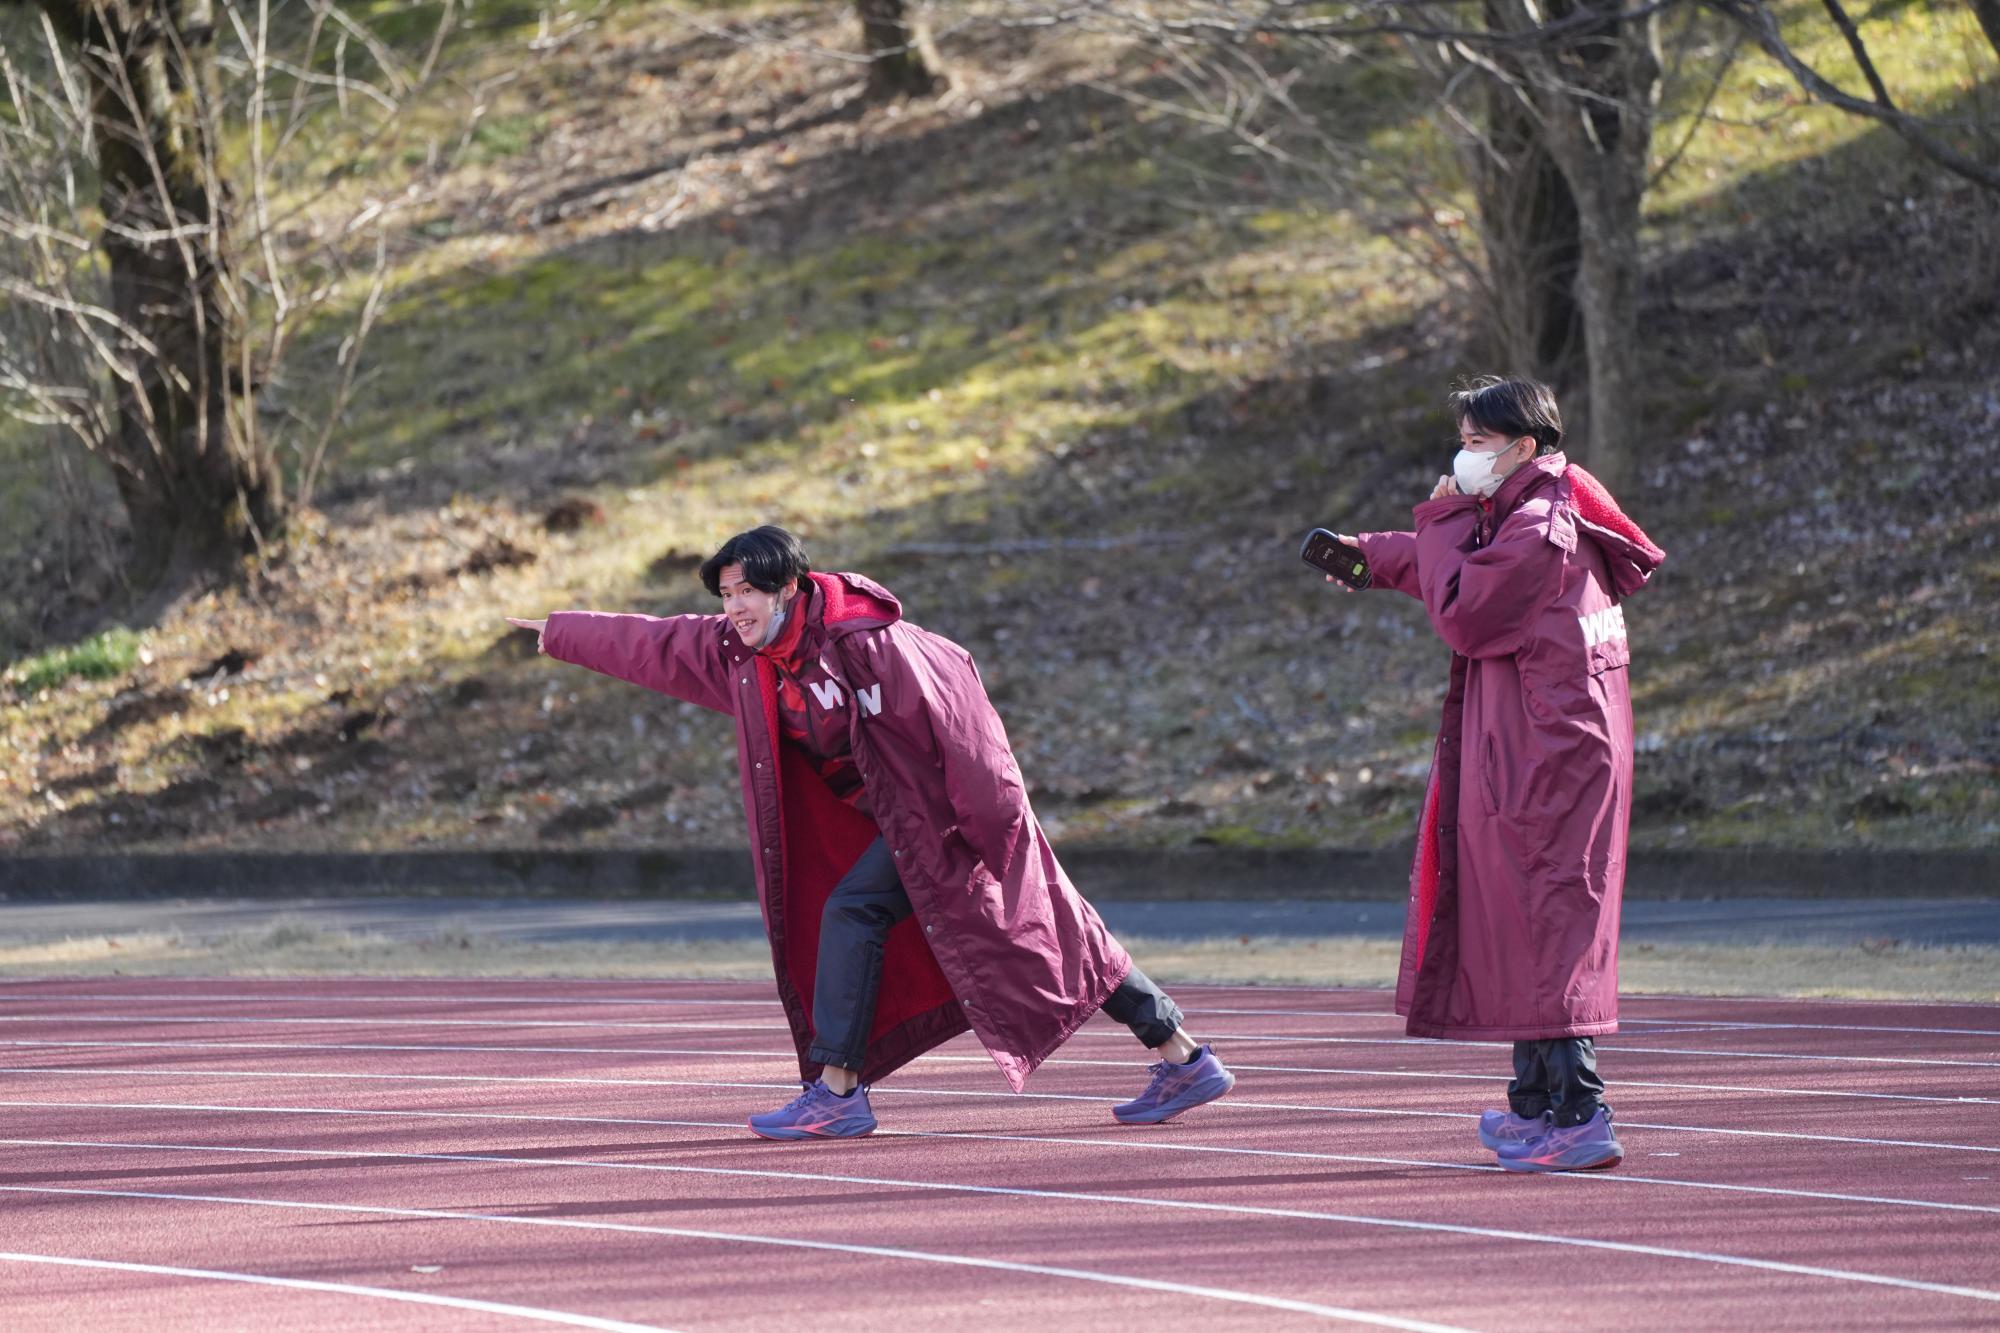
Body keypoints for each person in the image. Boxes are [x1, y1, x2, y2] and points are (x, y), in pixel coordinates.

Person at [508, 526, 1233, 1140]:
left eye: (746, 594)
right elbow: (658, 644)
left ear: (788, 587)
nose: (733, 609)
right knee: (1061, 928)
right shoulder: (744, 653)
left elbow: (970, 732)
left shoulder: (874, 644)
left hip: (949, 815)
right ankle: (1185, 1056)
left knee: (879, 911)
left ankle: (838, 1091)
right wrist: (560, 632)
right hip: (894, 820)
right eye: (725, 596)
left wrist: (996, 831)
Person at [1323, 377, 1665, 1173]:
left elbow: (1468, 608)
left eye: (1478, 441)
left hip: (1548, 755)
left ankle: (1580, 1110)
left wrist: (1437, 516)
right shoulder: (1538, 513)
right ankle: (1536, 1103)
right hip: (1544, 745)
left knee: (1546, 923)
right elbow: (1467, 569)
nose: (1464, 454)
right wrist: (1373, 558)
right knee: (1525, 917)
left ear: (1524, 447)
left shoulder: (1542, 529)